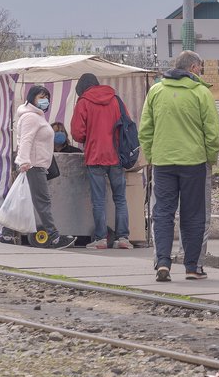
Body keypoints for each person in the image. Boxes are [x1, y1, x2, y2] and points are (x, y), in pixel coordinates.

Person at [139, 51, 219, 282]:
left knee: (163, 213)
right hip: (194, 162)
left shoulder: (156, 91)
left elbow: (145, 129)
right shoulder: (201, 93)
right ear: (194, 67)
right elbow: (212, 133)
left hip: (163, 162)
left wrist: (153, 154)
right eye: (201, 68)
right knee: (193, 215)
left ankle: (162, 262)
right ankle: (192, 267)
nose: (201, 73)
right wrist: (210, 158)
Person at [71, 73, 132, 250]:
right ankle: (123, 238)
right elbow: (127, 124)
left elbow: (77, 133)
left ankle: (101, 239)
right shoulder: (116, 100)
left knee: (98, 200)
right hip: (116, 156)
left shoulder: (83, 102)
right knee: (120, 198)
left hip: (95, 156)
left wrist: (89, 136)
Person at [10, 85, 76, 249]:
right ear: (32, 98)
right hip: (34, 165)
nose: (44, 100)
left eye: (46, 97)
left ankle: (5, 233)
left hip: (36, 164)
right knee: (42, 201)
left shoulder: (36, 116)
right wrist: (24, 161)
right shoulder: (31, 117)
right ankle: (54, 237)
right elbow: (26, 140)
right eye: (41, 97)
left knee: (24, 200)